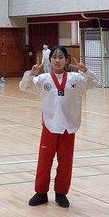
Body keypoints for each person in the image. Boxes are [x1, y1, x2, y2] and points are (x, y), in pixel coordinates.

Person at [19, 45, 98, 208]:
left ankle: (61, 193)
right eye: (54, 57)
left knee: (66, 162)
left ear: (66, 60)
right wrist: (32, 73)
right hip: (49, 126)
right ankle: (41, 192)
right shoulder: (43, 79)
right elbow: (24, 86)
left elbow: (94, 82)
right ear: (49, 61)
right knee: (44, 161)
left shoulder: (76, 79)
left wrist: (85, 71)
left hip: (69, 127)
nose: (57, 60)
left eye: (61, 57)